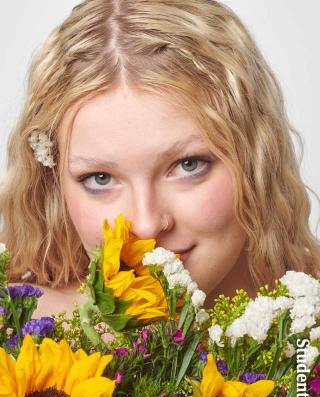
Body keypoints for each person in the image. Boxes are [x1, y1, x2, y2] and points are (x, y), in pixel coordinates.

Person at [0, 0, 319, 319]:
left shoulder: (308, 336)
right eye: (101, 178)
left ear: (256, 156)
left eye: (188, 165)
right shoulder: (23, 331)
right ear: (53, 184)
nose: (146, 224)